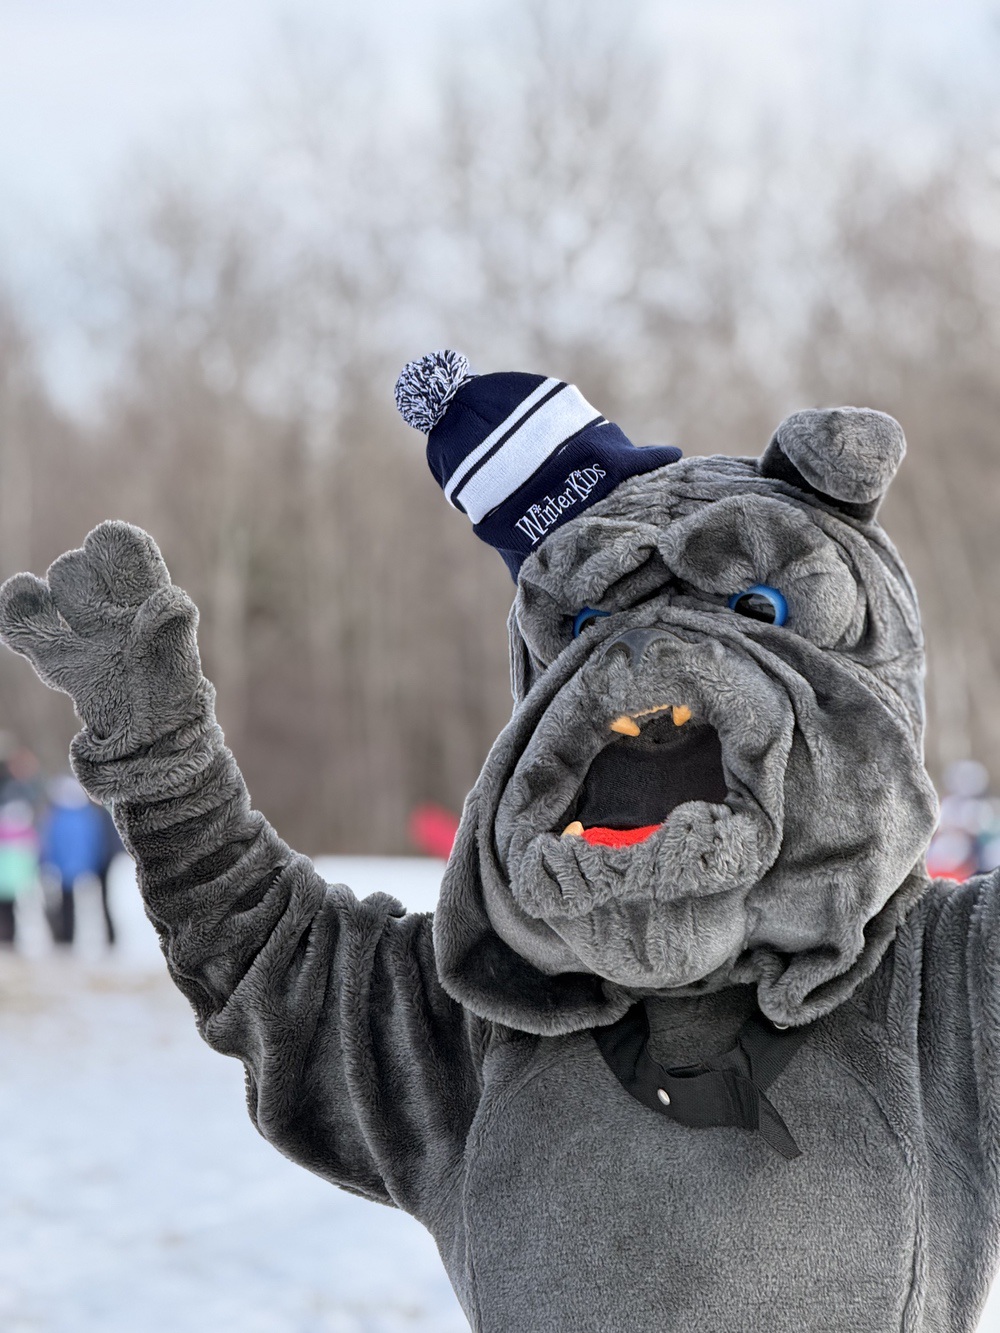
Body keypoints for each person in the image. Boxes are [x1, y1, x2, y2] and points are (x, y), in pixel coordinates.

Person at [0, 358, 996, 1332]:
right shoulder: (478, 1016)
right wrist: (161, 749)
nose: (645, 673)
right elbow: (267, 957)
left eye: (749, 612)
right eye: (593, 626)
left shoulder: (940, 986)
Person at [40, 775, 120, 946]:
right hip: (79, 865)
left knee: (80, 902)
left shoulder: (84, 815)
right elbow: (53, 842)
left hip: (82, 865)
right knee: (70, 902)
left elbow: (93, 841)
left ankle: (73, 937)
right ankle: (68, 937)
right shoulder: (78, 814)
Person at [0, 799, 39, 946]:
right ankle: (12, 937)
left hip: (6, 882)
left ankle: (7, 937)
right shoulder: (28, 834)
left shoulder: (4, 833)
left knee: (7, 912)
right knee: (16, 911)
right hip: (18, 882)